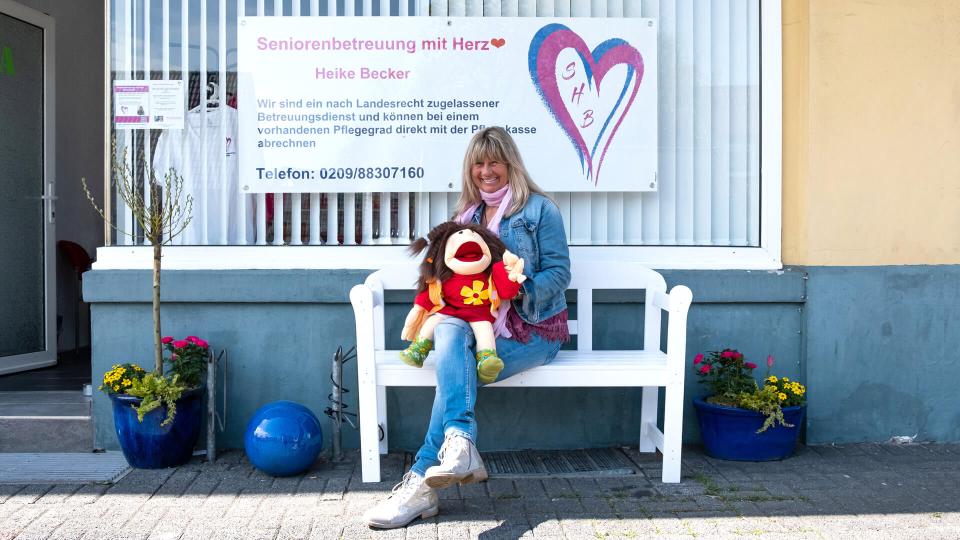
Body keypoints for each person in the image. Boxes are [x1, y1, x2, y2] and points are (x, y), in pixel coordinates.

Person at [363, 127, 571, 529]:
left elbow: (560, 273)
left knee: (453, 375)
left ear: (511, 164)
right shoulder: (466, 218)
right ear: (469, 168)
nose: (487, 170)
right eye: (479, 162)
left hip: (533, 331)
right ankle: (459, 444)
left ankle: (424, 480)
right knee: (447, 331)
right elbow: (444, 278)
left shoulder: (540, 210)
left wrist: (516, 287)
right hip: (474, 329)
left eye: (495, 161)